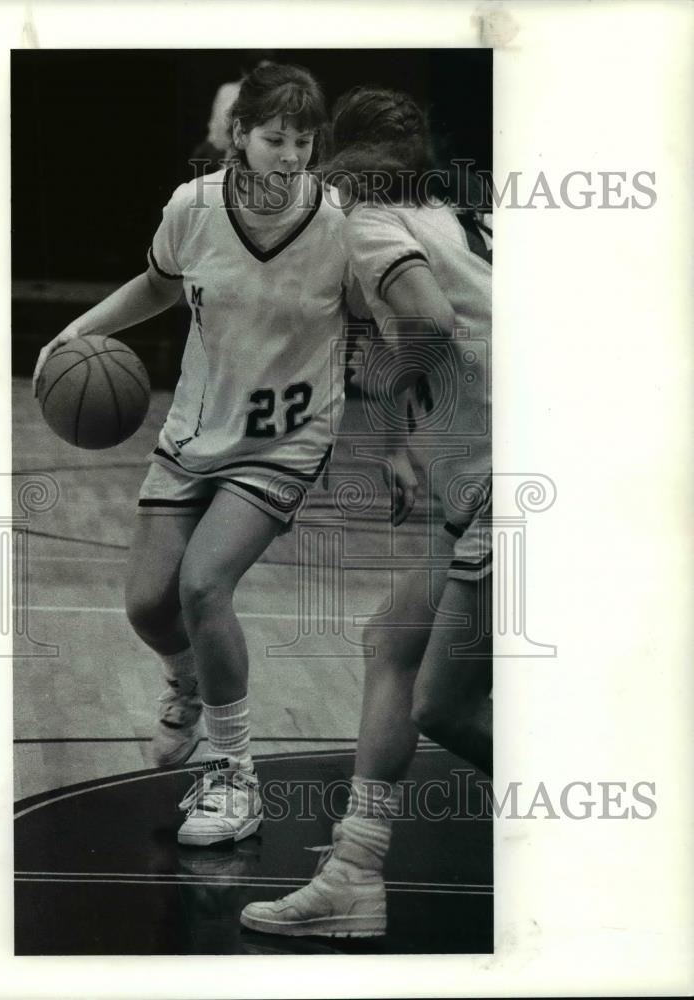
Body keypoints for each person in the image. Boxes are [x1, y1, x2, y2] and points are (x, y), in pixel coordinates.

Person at [33, 62, 356, 847]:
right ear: (237, 135)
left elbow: (387, 323)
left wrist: (410, 438)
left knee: (204, 586)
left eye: (302, 141)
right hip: (192, 433)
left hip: (285, 439)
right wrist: (79, 332)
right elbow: (157, 283)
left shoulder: (342, 223)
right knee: (149, 605)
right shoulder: (194, 206)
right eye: (273, 137)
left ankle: (233, 774)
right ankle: (185, 683)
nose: (288, 154)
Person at [240, 86, 493, 938]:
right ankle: (353, 874)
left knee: (444, 708)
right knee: (391, 640)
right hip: (501, 482)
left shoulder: (373, 223)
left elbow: (424, 320)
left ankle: (633, 844)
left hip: (512, 484)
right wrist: (399, 437)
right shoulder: (457, 218)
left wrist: (402, 424)